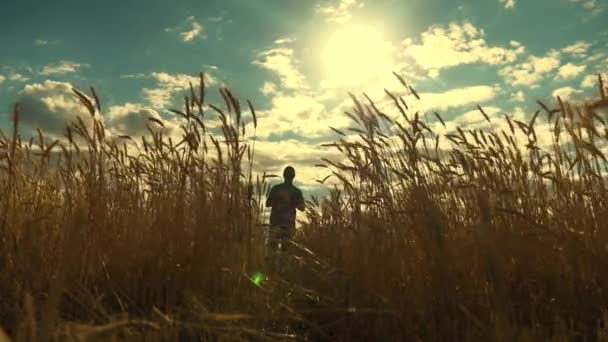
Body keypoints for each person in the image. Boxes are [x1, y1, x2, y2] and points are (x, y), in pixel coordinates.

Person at [265, 166, 305, 253]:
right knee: (286, 253)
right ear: (294, 176)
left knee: (271, 251)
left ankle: (272, 266)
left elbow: (267, 204)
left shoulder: (275, 189)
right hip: (289, 225)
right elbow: (302, 208)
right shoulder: (297, 192)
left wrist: (278, 202)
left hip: (275, 223)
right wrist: (292, 203)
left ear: (283, 175)